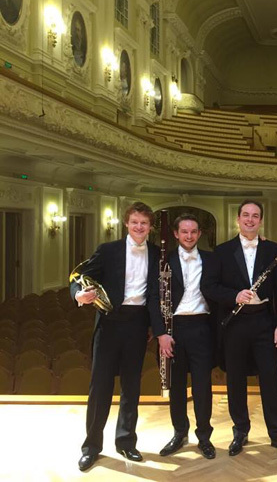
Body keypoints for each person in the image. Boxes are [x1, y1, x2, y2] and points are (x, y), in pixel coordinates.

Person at [70, 202, 164, 471]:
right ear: (126, 223)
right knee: (99, 386)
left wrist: (154, 326)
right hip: (109, 323)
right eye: (134, 222)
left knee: (131, 387)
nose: (139, 227)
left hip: (138, 324)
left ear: (150, 227)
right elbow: (78, 276)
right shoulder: (108, 250)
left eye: (144, 223)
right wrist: (79, 294)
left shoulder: (157, 253)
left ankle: (125, 442)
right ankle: (91, 447)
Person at [202, 200, 277, 457]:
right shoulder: (222, 251)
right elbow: (209, 287)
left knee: (270, 378)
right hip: (235, 323)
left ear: (261, 220)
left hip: (264, 321)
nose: (250, 220)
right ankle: (240, 431)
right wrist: (234, 295)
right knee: (235, 380)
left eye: (255, 216)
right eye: (246, 215)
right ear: (238, 219)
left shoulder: (273, 249)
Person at [158, 214, 217, 460]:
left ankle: (204, 436)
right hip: (174, 328)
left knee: (203, 385)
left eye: (193, 231)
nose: (189, 236)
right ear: (176, 234)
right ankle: (180, 432)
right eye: (184, 231)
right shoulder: (164, 260)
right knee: (177, 386)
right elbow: (154, 298)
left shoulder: (212, 259)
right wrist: (161, 332)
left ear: (199, 233)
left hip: (202, 327)